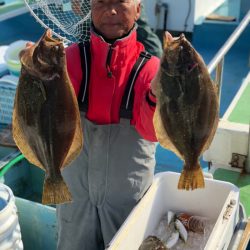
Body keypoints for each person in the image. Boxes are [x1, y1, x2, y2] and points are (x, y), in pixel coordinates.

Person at [56, 0, 171, 249]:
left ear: (138, 10)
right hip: (75, 195)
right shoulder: (71, 58)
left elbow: (151, 132)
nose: (111, 11)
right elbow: (50, 117)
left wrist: (155, 95)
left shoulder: (150, 68)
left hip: (127, 199)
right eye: (102, 3)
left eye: (120, 2)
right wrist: (35, 72)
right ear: (90, 9)